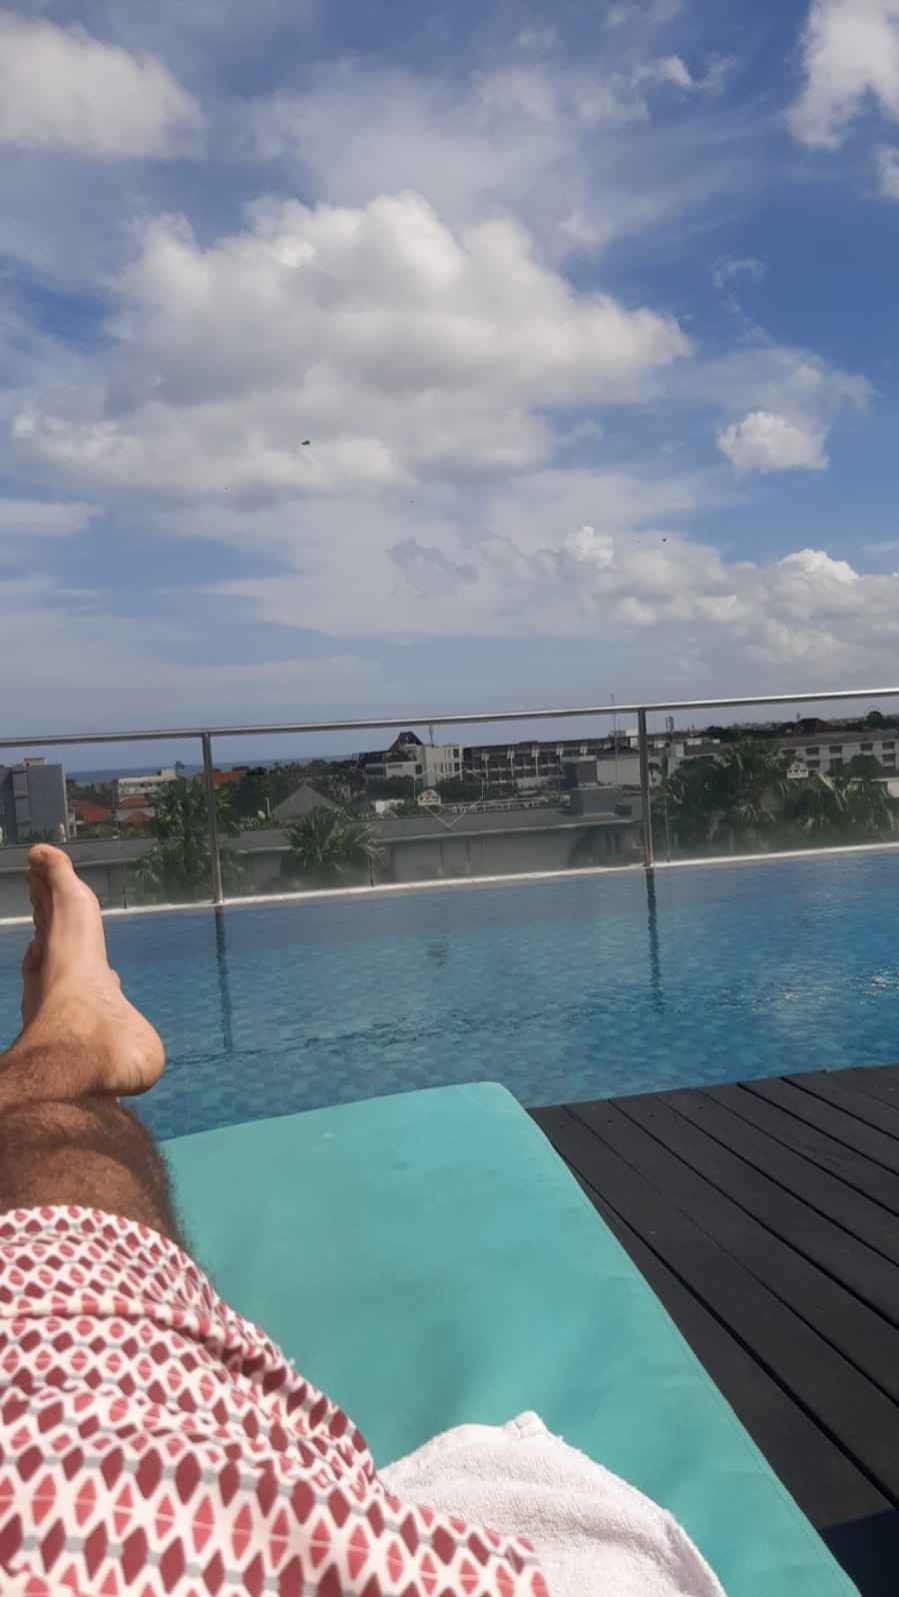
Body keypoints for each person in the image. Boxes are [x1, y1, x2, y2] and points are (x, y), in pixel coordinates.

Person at [0, 845, 548, 1597]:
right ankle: (63, 1053)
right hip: (119, 1487)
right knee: (48, 1213)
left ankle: (61, 1053)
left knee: (43, 1222)